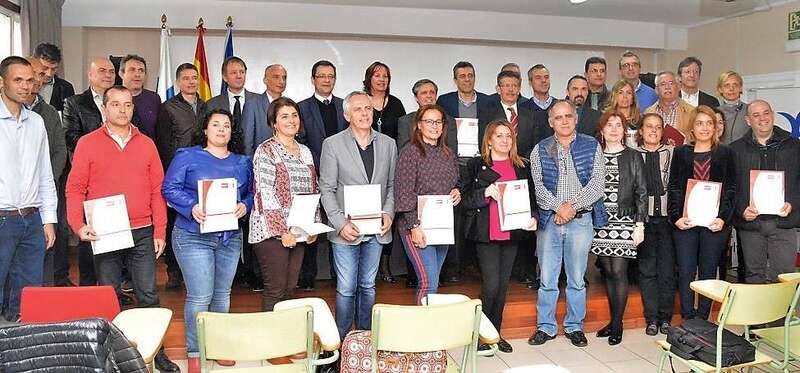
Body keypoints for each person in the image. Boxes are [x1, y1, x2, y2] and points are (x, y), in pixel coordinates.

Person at [65, 85, 178, 372]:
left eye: (127, 104)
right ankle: (111, 358)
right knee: (109, 296)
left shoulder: (146, 143)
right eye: (115, 104)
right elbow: (75, 187)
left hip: (142, 231)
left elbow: (157, 190)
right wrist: (78, 224)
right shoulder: (87, 143)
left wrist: (160, 231)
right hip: (106, 232)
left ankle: (156, 352)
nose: (123, 110)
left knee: (148, 295)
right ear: (104, 108)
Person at [161, 109, 253, 373]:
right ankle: (195, 352)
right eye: (216, 124)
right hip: (193, 236)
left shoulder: (242, 162)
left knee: (222, 295)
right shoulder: (187, 156)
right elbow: (169, 188)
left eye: (226, 125)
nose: (221, 129)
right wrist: (191, 206)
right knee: (201, 296)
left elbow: (251, 194)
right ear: (205, 129)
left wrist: (245, 206)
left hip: (229, 237)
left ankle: (218, 346)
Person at [319, 91, 397, 339]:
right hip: (346, 231)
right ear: (347, 115)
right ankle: (341, 341)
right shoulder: (332, 144)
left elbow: (392, 186)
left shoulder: (388, 144)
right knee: (346, 288)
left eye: (368, 108)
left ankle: (363, 339)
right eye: (358, 109)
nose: (364, 113)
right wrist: (340, 224)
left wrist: (389, 213)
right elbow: (326, 189)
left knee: (368, 285)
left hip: (376, 229)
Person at [529, 100, 606, 347]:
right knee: (547, 278)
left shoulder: (591, 145)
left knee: (577, 278)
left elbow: (597, 185)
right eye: (558, 117)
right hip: (549, 221)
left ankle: (574, 326)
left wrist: (570, 209)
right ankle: (546, 327)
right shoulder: (540, 149)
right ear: (551, 122)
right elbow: (539, 188)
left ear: (576, 119)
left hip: (580, 221)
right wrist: (558, 208)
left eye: (568, 116)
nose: (564, 121)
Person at [462, 119, 537, 353]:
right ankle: (481, 336)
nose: (505, 140)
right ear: (489, 140)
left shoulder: (521, 166)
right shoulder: (476, 165)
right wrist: (485, 193)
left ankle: (495, 334)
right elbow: (465, 200)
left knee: (503, 287)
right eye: (499, 136)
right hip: (487, 234)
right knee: (491, 286)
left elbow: (532, 200)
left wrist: (533, 217)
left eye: (508, 136)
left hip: (512, 233)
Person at [0, 56, 57, 319]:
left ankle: (20, 342)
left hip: (32, 221)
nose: (25, 86)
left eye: (30, 80)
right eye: (18, 80)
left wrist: (48, 220)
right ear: (2, 82)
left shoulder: (36, 122)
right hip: (2, 218)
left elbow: (45, 174)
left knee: (27, 299)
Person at [667, 105, 736, 320]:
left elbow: (731, 189)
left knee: (708, 271)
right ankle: (688, 317)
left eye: (709, 123)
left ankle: (703, 318)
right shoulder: (681, 153)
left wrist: (723, 218)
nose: (704, 128)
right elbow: (674, 187)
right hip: (685, 222)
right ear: (692, 128)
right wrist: (676, 218)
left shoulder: (726, 153)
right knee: (686, 271)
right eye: (699, 123)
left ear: (715, 128)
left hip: (714, 224)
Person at [249, 97, 319, 311]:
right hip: (272, 232)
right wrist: (282, 231)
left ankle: (286, 332)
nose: (291, 120)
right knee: (276, 291)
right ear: (274, 123)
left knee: (290, 290)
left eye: (294, 115)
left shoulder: (305, 151)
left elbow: (313, 188)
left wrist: (313, 226)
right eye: (284, 116)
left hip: (298, 230)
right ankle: (271, 333)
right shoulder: (266, 150)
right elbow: (264, 193)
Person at [479, 69, 546, 287]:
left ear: (520, 88)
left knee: (521, 228)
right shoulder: (487, 112)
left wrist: (521, 163)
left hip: (521, 171)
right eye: (506, 85)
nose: (511, 89)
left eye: (515, 85)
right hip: (495, 170)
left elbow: (535, 145)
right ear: (498, 89)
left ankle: (525, 271)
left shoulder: (529, 114)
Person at [394, 104, 460, 304]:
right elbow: (403, 193)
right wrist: (414, 226)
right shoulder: (410, 153)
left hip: (442, 226)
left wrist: (457, 191)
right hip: (416, 226)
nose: (434, 126)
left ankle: (429, 321)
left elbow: (457, 182)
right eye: (429, 121)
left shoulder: (448, 153)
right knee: (428, 282)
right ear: (419, 125)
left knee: (434, 281)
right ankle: (423, 324)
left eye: (438, 122)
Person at [591, 111, 647, 345]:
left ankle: (617, 325)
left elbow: (642, 192)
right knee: (607, 271)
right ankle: (613, 321)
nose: (614, 129)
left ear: (624, 130)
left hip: (624, 220)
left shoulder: (633, 156)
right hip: (600, 221)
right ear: (602, 130)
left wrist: (639, 224)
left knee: (619, 271)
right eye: (609, 125)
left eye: (618, 125)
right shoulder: (595, 155)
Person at [730, 100, 799, 284]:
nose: (762, 118)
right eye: (756, 115)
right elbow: (731, 187)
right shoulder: (735, 150)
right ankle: (757, 305)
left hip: (784, 223)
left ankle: (783, 306)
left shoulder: (794, 146)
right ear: (748, 120)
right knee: (754, 276)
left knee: (785, 278)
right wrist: (741, 209)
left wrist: (792, 203)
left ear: (773, 115)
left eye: (766, 113)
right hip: (751, 224)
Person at [156, 63, 208, 289]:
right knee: (175, 222)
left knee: (200, 218)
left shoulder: (206, 106)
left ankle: (197, 270)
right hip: (178, 173)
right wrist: (173, 173)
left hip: (203, 172)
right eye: (186, 78)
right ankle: (174, 271)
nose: (191, 82)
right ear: (178, 82)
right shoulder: (168, 108)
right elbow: (164, 143)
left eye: (194, 77)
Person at [296, 60, 347, 291]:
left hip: (343, 177)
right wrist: (323, 165)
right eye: (322, 76)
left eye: (330, 76)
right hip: (313, 174)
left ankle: (339, 275)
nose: (326, 80)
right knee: (311, 225)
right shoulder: (302, 107)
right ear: (313, 79)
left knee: (339, 223)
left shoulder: (344, 105)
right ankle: (308, 277)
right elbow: (302, 142)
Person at [23, 57, 68, 287]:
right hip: (13, 202)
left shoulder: (48, 112)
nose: (38, 80)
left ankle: (47, 294)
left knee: (48, 244)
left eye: (41, 75)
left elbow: (60, 150)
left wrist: (48, 179)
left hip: (45, 191)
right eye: (34, 75)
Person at [363, 61, 404, 283]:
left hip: (391, 163)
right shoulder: (361, 102)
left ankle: (385, 264)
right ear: (369, 78)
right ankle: (369, 264)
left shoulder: (396, 104)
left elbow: (403, 135)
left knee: (388, 212)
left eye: (385, 76)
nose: (381, 79)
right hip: (366, 164)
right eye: (377, 75)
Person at [635, 113, 676, 336]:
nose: (653, 131)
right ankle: (651, 318)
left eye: (658, 127)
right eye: (649, 127)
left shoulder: (672, 153)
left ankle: (666, 318)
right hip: (645, 221)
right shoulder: (633, 155)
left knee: (667, 271)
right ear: (641, 131)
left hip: (668, 221)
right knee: (647, 270)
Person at [205, 56, 260, 156]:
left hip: (254, 158)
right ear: (224, 77)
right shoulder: (212, 104)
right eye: (234, 73)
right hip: (222, 158)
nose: (239, 76)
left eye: (242, 72)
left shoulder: (259, 101)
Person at [397, 79, 456, 151]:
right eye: (424, 93)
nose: (429, 96)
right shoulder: (405, 121)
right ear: (416, 98)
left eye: (432, 92)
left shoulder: (449, 120)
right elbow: (403, 151)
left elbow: (451, 151)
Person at [645, 71, 694, 145]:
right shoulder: (648, 113)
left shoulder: (691, 112)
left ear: (679, 87)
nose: (667, 87)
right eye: (663, 84)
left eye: (671, 83)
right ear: (656, 90)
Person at [119, 54, 161, 138]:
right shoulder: (113, 97)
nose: (137, 74)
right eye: (132, 70)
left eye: (141, 70)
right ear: (121, 73)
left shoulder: (154, 98)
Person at [32, 43, 74, 112]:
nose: (49, 74)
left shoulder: (66, 88)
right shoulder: (25, 85)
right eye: (45, 68)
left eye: (54, 69)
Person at [603, 80, 641, 147]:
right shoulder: (605, 119)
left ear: (633, 98)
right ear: (614, 96)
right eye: (620, 93)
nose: (625, 96)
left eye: (628, 93)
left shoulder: (641, 120)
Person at [716, 71, 749, 145]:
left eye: (735, 85)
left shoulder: (750, 110)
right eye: (727, 85)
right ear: (720, 89)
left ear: (741, 88)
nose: (731, 89)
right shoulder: (714, 113)